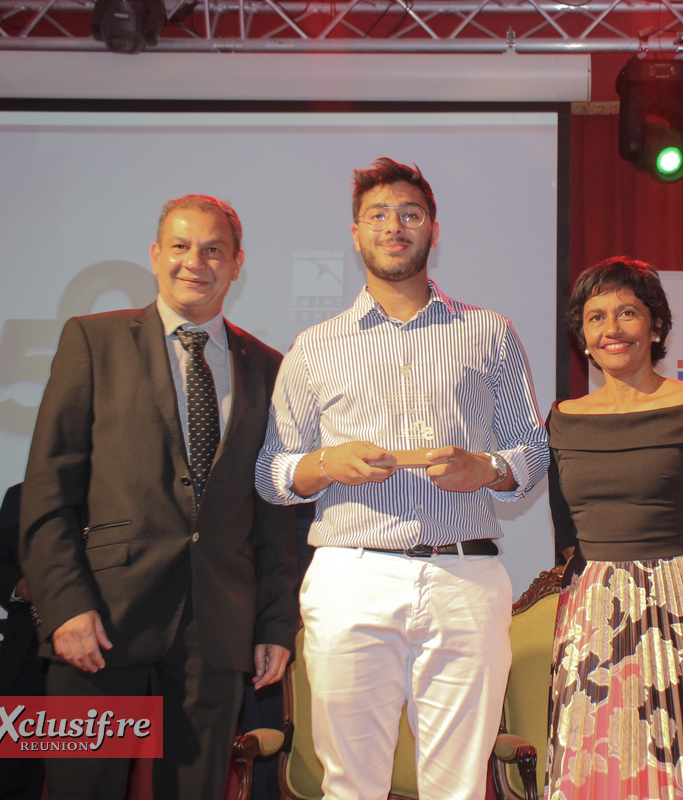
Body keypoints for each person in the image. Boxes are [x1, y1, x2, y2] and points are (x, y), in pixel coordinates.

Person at [255, 157, 549, 800]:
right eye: (379, 216)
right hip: (350, 574)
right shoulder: (315, 347)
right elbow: (272, 473)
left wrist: (486, 469)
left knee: (460, 785)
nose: (395, 227)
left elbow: (531, 456)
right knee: (351, 784)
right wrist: (327, 465)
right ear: (356, 233)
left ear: (433, 231)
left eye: (410, 215)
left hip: (464, 575)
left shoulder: (489, 332)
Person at [19, 195, 298, 800]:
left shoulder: (271, 368)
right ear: (154, 255)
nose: (194, 262)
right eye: (180, 246)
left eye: (212, 250)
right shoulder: (93, 341)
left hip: (217, 629)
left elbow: (276, 515)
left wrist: (277, 621)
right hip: (98, 622)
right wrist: (64, 604)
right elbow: (48, 489)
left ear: (236, 263)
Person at [545, 257, 683, 800]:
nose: (611, 329)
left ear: (656, 326)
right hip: (590, 615)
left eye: (627, 313)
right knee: (597, 769)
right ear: (583, 335)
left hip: (678, 613)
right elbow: (566, 537)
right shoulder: (563, 420)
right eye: (596, 318)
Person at [0, 482, 46, 800]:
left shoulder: (122, 495)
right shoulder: (21, 495)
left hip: (100, 662)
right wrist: (20, 586)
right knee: (9, 779)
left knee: (91, 777)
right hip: (28, 661)